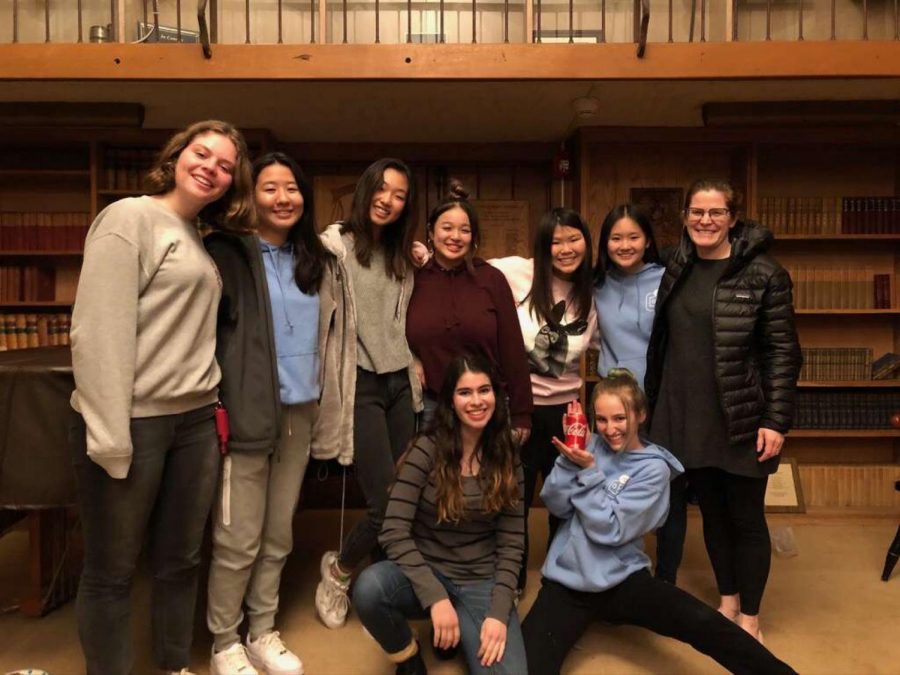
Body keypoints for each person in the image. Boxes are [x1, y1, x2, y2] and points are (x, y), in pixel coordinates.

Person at [69, 120, 254, 675]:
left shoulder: (197, 235)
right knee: (112, 570)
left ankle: (174, 665)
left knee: (181, 561)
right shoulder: (130, 217)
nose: (212, 169)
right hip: (133, 422)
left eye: (225, 166)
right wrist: (110, 436)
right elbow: (97, 331)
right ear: (175, 157)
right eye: (202, 154)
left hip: (195, 421)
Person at [520, 371, 797, 675]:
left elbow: (610, 531)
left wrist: (587, 473)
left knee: (702, 622)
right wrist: (569, 459)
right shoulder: (590, 447)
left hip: (622, 579)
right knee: (524, 666)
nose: (610, 429)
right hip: (568, 582)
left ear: (639, 415)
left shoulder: (653, 469)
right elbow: (557, 504)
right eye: (601, 420)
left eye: (619, 418)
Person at [204, 152, 355, 674]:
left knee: (277, 533)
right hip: (247, 413)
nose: (283, 198)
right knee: (237, 535)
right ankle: (224, 640)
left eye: (291, 188)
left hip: (300, 411)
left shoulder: (317, 259)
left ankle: (261, 630)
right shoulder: (226, 256)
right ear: (250, 195)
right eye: (270, 188)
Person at [645, 178, 802, 640]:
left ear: (733, 218)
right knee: (711, 513)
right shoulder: (677, 265)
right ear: (685, 217)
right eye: (696, 212)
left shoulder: (765, 274)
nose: (705, 221)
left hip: (742, 416)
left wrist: (776, 420)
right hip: (688, 414)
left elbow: (782, 352)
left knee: (746, 518)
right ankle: (728, 598)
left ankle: (750, 615)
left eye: (715, 213)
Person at [353, 353, 527, 675]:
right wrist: (435, 598)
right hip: (427, 571)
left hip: (480, 580)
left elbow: (513, 540)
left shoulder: (507, 454)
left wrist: (499, 612)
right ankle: (409, 656)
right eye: (465, 392)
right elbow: (393, 529)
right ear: (450, 401)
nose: (476, 401)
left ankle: (455, 630)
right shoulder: (426, 449)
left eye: (484, 390)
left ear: (496, 395)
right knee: (368, 589)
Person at [315, 157, 423, 630]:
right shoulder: (333, 247)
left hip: (402, 383)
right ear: (365, 191)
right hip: (359, 382)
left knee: (408, 495)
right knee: (385, 502)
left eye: (400, 195)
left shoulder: (403, 256)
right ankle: (338, 572)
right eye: (382, 190)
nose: (389, 200)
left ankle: (380, 587)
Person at [490, 207, 598, 590]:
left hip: (567, 412)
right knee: (513, 498)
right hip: (518, 408)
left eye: (574, 238)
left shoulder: (591, 292)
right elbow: (460, 261)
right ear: (543, 245)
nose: (566, 248)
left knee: (564, 499)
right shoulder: (516, 271)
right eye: (556, 241)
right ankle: (512, 577)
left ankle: (560, 573)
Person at [406, 179, 532, 434]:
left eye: (464, 230)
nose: (455, 237)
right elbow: (392, 333)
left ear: (473, 236)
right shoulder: (412, 279)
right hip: (433, 407)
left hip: (486, 405)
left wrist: (521, 414)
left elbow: (512, 349)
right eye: (447, 228)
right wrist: (412, 359)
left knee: (491, 475)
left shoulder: (491, 279)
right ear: (431, 232)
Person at [592, 203, 663, 390]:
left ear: (647, 241)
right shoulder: (596, 284)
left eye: (634, 237)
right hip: (612, 393)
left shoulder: (666, 280)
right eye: (616, 238)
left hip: (659, 390)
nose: (625, 246)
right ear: (606, 242)